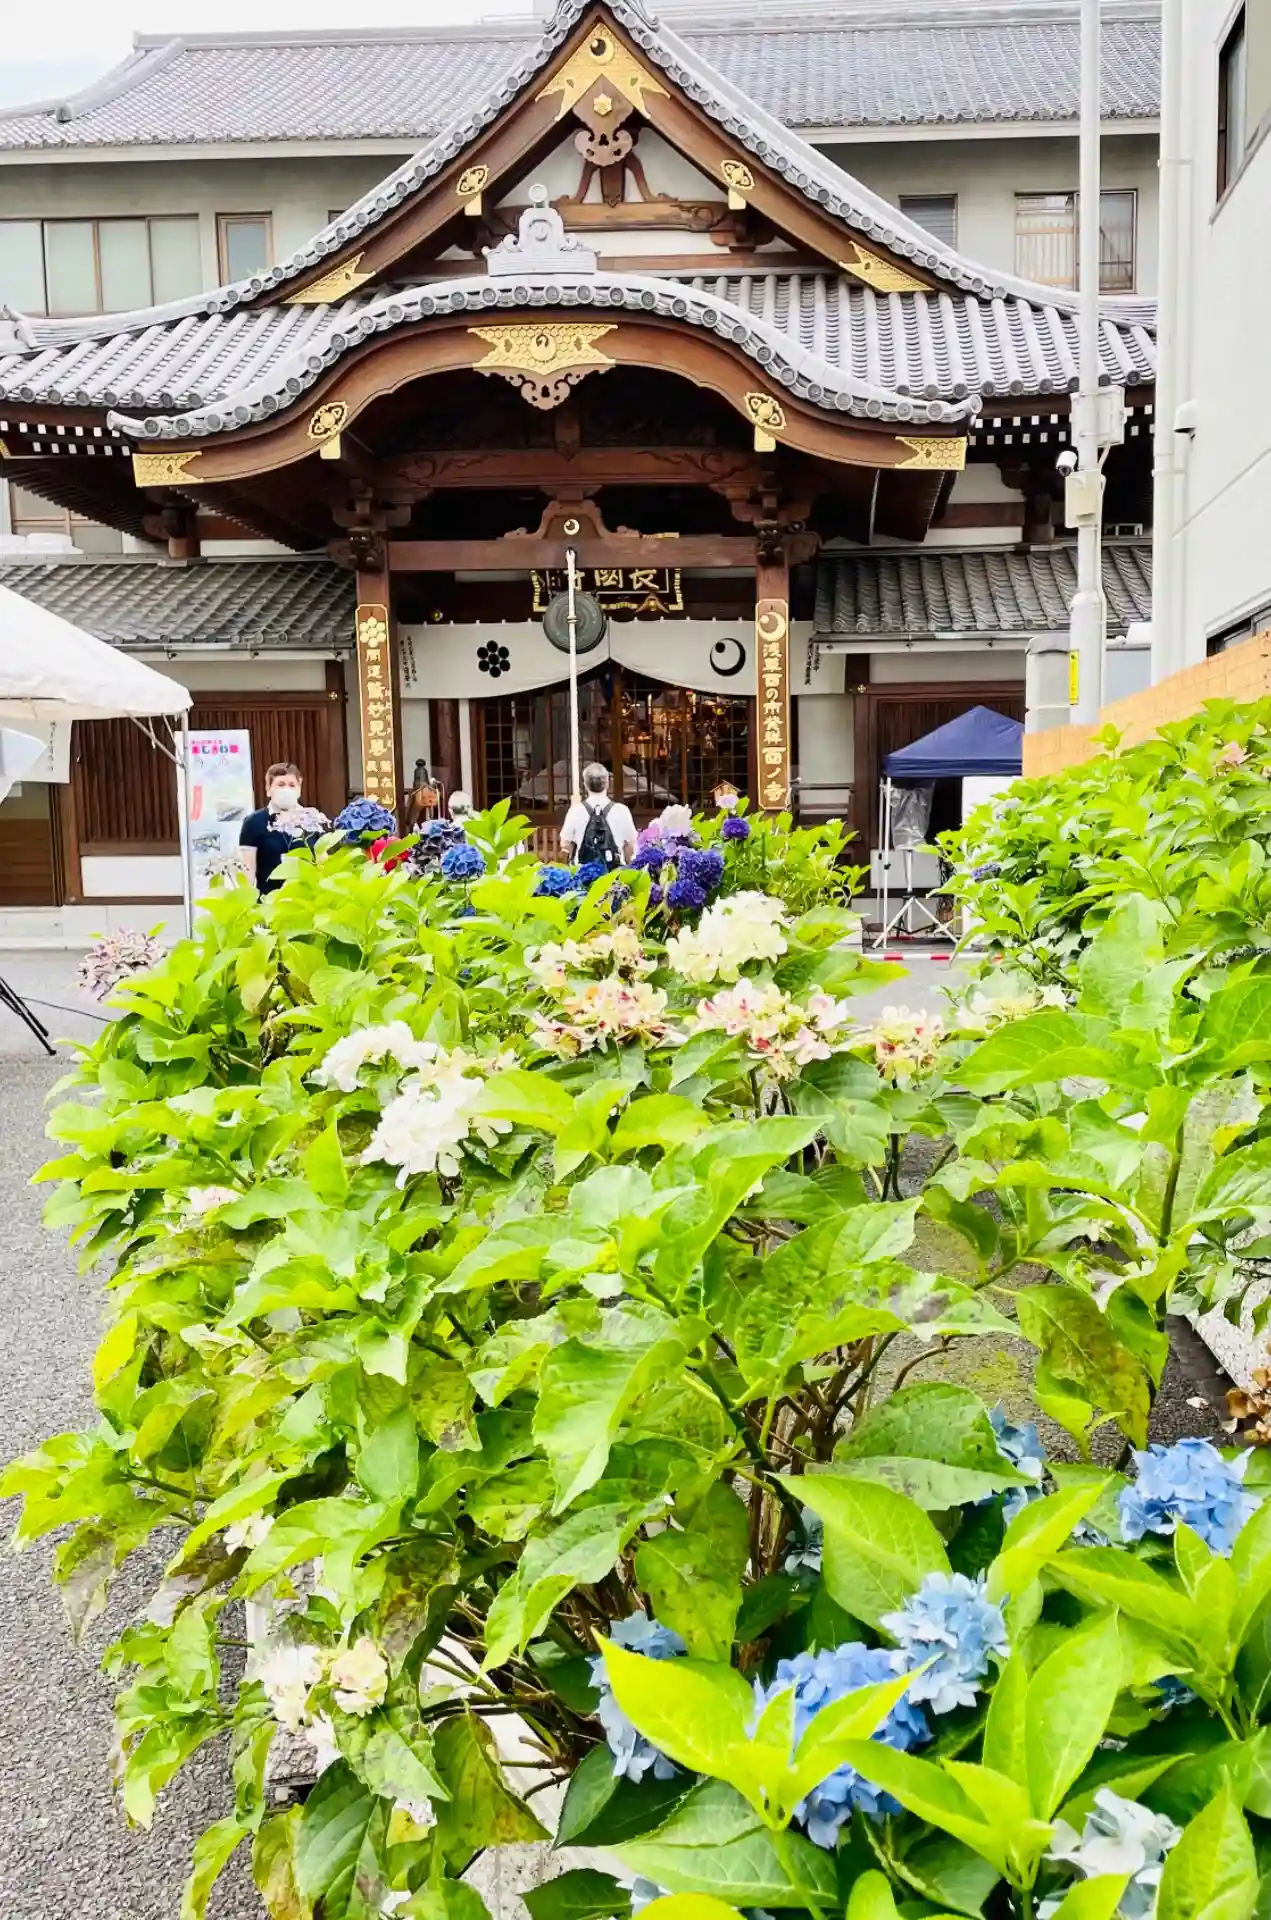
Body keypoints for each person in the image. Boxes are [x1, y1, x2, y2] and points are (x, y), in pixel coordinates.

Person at [239, 762, 329, 893]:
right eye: (280, 785)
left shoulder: (312, 819)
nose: (286, 790)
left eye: (292, 785)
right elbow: (248, 871)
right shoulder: (254, 822)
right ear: (268, 788)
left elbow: (322, 863)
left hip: (307, 899)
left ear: (299, 788)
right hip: (269, 900)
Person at [560, 763, 637, 869]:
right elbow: (631, 845)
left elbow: (565, 844)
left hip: (583, 871)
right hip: (614, 872)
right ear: (607, 783)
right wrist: (629, 864)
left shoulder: (575, 811)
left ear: (585, 785)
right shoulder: (622, 810)